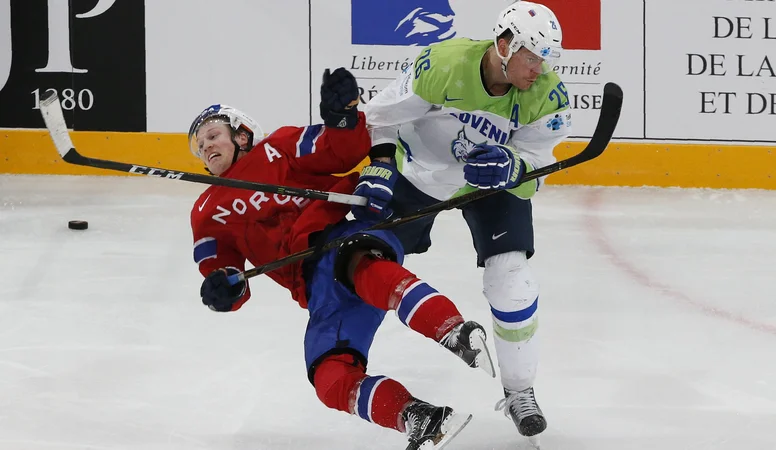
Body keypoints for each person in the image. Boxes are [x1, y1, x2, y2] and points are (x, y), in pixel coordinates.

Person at [188, 68, 494, 450]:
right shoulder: (205, 211)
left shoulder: (278, 147)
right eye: (200, 146)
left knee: (361, 267)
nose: (206, 147)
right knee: (328, 377)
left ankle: (453, 330)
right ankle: (418, 417)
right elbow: (223, 272)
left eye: (213, 135)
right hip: (315, 287)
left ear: (243, 134)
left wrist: (342, 119)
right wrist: (223, 288)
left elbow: (344, 149)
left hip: (344, 235)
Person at [356, 1, 573, 439]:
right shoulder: (442, 65)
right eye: (532, 56)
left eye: (546, 57)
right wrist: (381, 168)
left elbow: (536, 169)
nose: (539, 68)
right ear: (505, 44)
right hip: (421, 176)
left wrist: (515, 167)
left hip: (490, 186)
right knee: (363, 262)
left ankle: (520, 391)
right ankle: (352, 366)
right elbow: (378, 118)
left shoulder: (547, 95)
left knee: (511, 277)